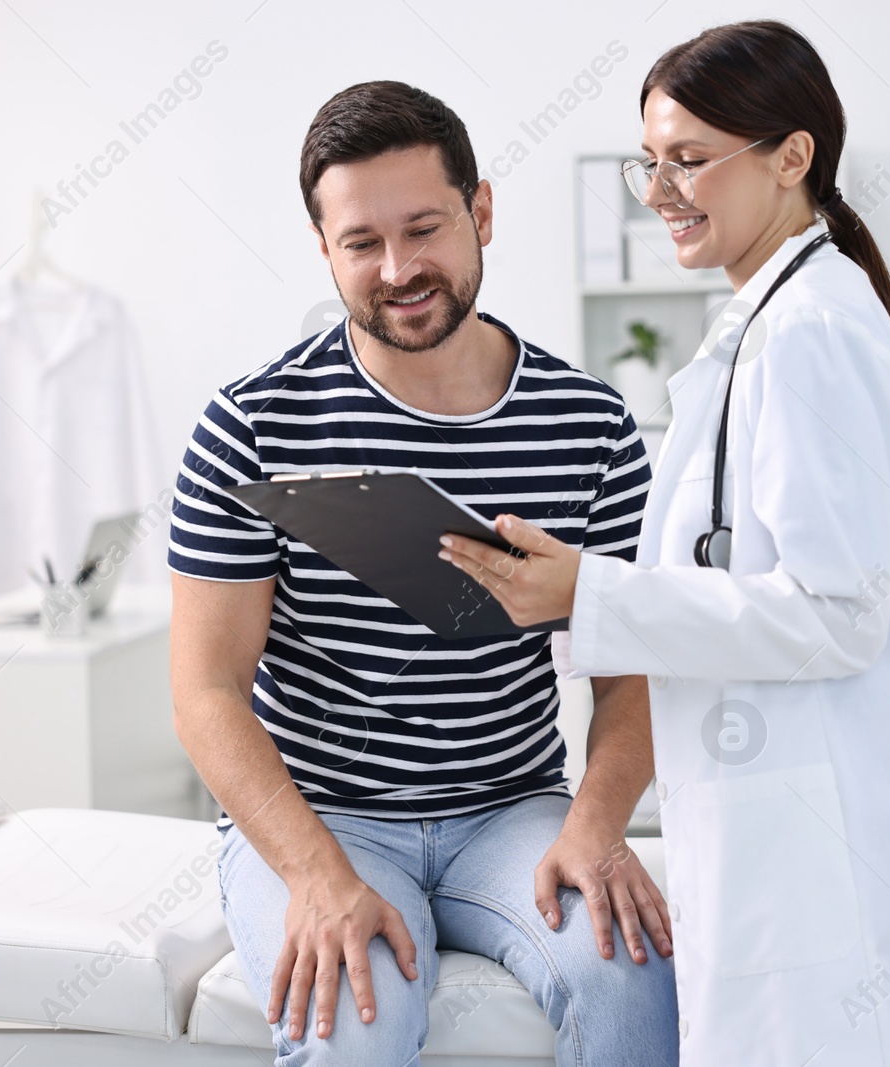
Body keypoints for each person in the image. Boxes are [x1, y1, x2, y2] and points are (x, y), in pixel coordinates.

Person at [438, 19, 890, 1065]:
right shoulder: (773, 318)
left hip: (826, 857)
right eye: (652, 162)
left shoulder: (812, 329)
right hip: (780, 829)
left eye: (689, 161)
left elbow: (838, 612)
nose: (660, 191)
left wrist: (589, 594)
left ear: (791, 156)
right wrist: (587, 587)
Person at [166, 81, 678, 1065]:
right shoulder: (253, 424)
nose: (400, 269)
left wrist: (597, 822)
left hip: (512, 806)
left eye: (425, 228)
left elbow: (633, 666)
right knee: (355, 1018)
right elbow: (205, 691)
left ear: (480, 211)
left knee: (632, 977)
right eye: (362, 242)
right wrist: (315, 874)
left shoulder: (591, 426)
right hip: (325, 812)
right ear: (324, 247)